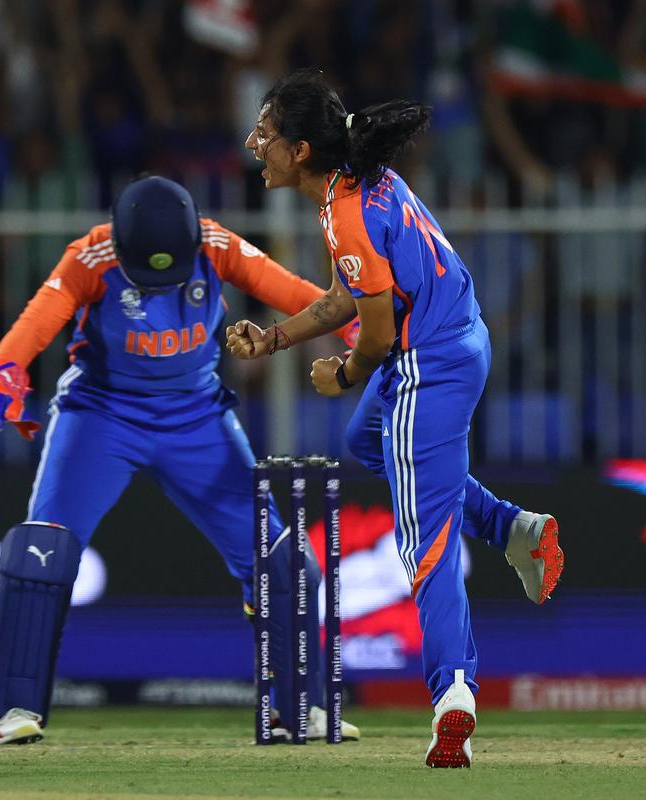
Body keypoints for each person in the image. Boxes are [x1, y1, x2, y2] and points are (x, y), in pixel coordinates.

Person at [226, 70, 565, 768]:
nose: (257, 143)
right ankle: (512, 528)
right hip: (456, 339)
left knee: (425, 542)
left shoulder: (344, 211)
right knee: (367, 443)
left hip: (424, 367)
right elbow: (345, 295)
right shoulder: (355, 182)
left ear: (300, 151)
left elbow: (374, 334)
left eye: (268, 133)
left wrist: (341, 373)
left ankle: (455, 696)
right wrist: (277, 339)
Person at [0, 175, 360, 745]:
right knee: (41, 552)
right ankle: (18, 709)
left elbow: (299, 296)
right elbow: (38, 320)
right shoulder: (89, 256)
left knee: (285, 562)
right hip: (101, 417)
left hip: (197, 418)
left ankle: (296, 708)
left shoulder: (215, 244)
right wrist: (3, 370)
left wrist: (362, 330)